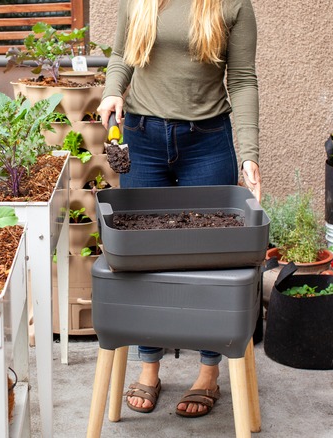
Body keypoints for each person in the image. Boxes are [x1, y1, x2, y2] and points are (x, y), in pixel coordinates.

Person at [97, 0, 262, 418]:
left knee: (212, 261)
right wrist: (112, 91)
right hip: (141, 137)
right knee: (142, 259)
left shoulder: (231, 5)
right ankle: (148, 366)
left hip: (207, 141)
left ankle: (208, 372)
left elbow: (242, 80)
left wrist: (250, 154)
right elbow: (121, 56)